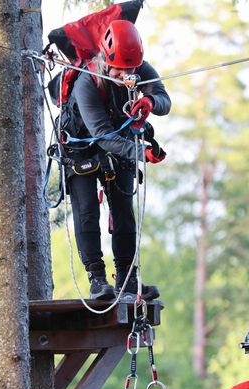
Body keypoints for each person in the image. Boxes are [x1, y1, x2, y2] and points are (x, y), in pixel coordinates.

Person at [62, 20, 171, 300]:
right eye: (122, 70)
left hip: (121, 145)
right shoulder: (87, 82)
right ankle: (97, 278)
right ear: (107, 61)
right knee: (87, 211)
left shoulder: (140, 69)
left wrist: (149, 102)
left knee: (123, 209)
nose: (128, 75)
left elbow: (164, 100)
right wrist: (142, 152)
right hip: (83, 147)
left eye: (132, 69)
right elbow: (102, 135)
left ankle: (127, 277)